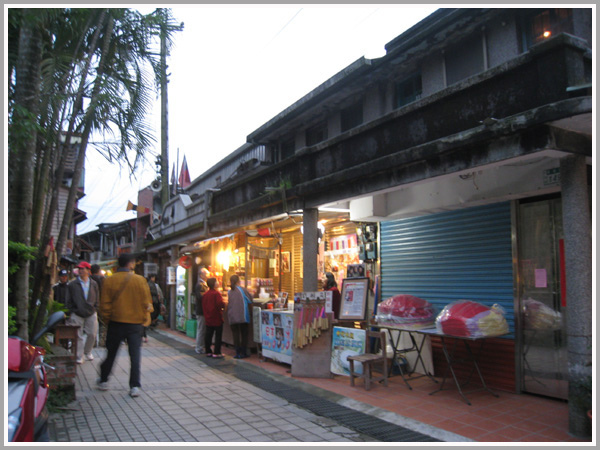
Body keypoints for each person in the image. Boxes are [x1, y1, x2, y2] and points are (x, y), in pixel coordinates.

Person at [97, 253, 153, 398]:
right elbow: (147, 303)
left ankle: (103, 380)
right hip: (135, 324)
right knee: (135, 356)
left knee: (111, 353)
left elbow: (104, 305)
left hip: (116, 322)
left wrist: (108, 319)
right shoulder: (140, 280)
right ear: (131, 264)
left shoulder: (109, 281)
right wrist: (144, 320)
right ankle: (134, 386)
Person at [65, 261, 100, 364]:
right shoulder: (72, 284)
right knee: (78, 335)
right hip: (77, 312)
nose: (80, 271)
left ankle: (88, 351)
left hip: (91, 312)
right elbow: (68, 298)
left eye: (82, 269)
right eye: (79, 269)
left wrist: (96, 307)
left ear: (88, 271)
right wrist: (71, 310)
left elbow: (98, 297)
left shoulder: (94, 283)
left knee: (92, 334)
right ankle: (79, 356)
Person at [227, 274, 253, 359]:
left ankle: (237, 352)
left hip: (232, 316)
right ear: (238, 281)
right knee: (244, 333)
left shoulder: (229, 291)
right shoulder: (242, 290)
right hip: (242, 315)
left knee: (236, 334)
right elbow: (250, 301)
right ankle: (244, 352)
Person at [202, 277, 225, 358]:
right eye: (216, 281)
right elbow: (220, 304)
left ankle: (208, 351)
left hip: (208, 318)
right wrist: (223, 306)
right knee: (218, 335)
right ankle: (217, 352)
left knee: (208, 335)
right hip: (216, 318)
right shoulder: (216, 294)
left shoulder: (205, 294)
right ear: (214, 284)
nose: (218, 282)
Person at [193, 268, 209, 354]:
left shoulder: (203, 284)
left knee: (202, 329)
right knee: (201, 329)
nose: (208, 276)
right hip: (201, 310)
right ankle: (198, 347)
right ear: (201, 275)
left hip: (202, 310)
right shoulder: (200, 284)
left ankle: (201, 346)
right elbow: (200, 297)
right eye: (206, 274)